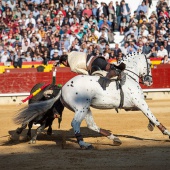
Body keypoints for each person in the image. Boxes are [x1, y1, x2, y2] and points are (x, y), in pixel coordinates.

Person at [59, 51, 125, 79]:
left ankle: (118, 72)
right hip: (96, 58)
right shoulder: (72, 52)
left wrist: (89, 76)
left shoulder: (72, 67)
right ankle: (117, 69)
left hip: (93, 65)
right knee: (109, 66)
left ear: (64, 62)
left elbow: (85, 73)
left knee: (107, 73)